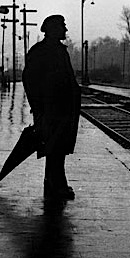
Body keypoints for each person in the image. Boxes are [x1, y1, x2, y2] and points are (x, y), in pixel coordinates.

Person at [22, 14, 81, 200]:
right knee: (54, 147)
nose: (66, 30)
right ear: (54, 29)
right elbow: (29, 79)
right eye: (63, 26)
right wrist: (38, 106)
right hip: (52, 109)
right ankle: (56, 185)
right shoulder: (43, 51)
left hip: (61, 109)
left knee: (58, 148)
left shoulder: (55, 50)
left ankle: (55, 183)